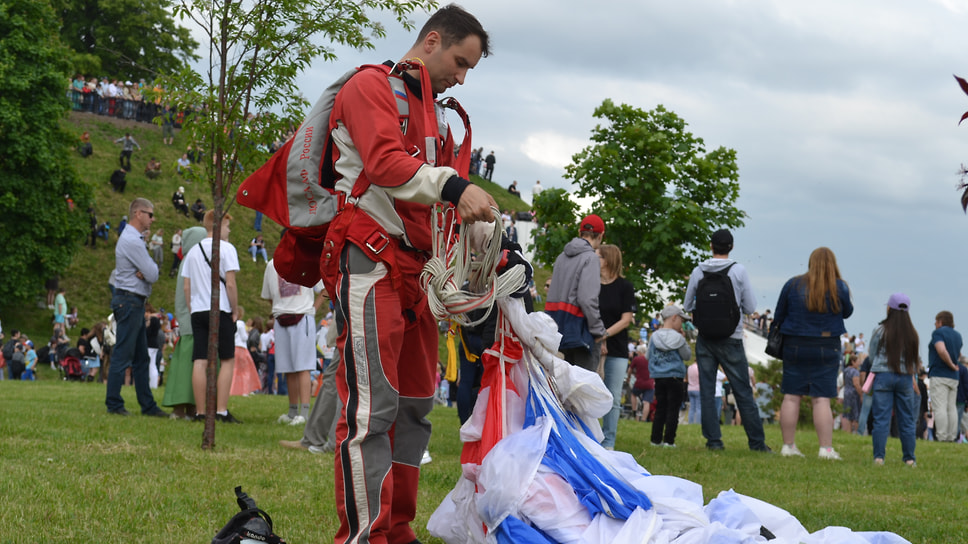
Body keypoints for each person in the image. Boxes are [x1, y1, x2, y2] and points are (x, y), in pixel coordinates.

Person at [284, 8, 496, 544]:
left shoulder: (435, 114)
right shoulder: (370, 87)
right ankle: (365, 536)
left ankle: (397, 530)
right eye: (460, 61)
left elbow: (436, 201)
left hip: (419, 272)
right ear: (431, 41)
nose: (462, 76)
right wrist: (454, 186)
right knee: (372, 409)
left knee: (416, 408)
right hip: (371, 258)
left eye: (470, 68)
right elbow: (384, 163)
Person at [683, 229, 770, 452]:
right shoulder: (738, 270)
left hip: (706, 337)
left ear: (711, 246)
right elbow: (750, 307)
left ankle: (714, 441)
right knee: (742, 390)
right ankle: (757, 443)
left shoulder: (698, 271)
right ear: (731, 247)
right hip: (732, 337)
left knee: (708, 389)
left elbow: (687, 306)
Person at [772, 247, 853, 459]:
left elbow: (779, 313)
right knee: (822, 398)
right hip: (827, 345)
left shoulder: (793, 284)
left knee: (791, 396)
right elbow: (847, 311)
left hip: (795, 343)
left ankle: (788, 447)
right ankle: (825, 449)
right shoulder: (839, 287)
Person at [105, 198, 168, 417]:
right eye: (150, 214)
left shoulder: (135, 239)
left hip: (133, 302)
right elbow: (152, 273)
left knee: (141, 358)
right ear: (138, 214)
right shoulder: (132, 240)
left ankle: (148, 405)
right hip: (130, 301)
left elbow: (149, 271)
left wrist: (147, 268)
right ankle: (114, 403)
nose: (153, 218)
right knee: (123, 354)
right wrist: (148, 269)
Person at [181, 210, 241, 423]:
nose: (229, 230)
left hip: (198, 310)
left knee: (200, 360)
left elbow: (186, 286)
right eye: (227, 226)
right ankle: (221, 410)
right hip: (220, 308)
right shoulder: (227, 249)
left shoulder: (193, 251)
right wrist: (235, 309)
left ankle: (200, 411)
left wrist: (192, 308)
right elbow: (231, 284)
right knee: (227, 359)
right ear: (218, 227)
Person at [261, 259, 324, 426]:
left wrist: (313, 310)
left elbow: (324, 287)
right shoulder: (272, 265)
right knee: (287, 367)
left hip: (302, 316)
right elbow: (269, 295)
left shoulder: (307, 262)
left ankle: (303, 413)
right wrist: (280, 308)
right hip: (282, 317)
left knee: (302, 367)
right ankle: (293, 411)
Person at [546, 214, 607, 371]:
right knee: (583, 389)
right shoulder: (591, 258)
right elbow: (587, 299)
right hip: (580, 332)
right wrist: (599, 330)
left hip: (557, 329)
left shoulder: (561, 257)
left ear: (580, 232)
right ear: (601, 235)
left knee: (561, 387)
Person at [868, 293, 919, 466]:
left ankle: (879, 457)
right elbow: (914, 359)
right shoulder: (912, 334)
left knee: (881, 419)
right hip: (905, 378)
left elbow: (872, 355)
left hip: (883, 376)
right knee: (907, 419)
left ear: (889, 308)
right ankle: (909, 459)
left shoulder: (881, 330)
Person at [161, 226, 206, 419]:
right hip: (192, 322)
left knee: (190, 364)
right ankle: (183, 407)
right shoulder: (191, 260)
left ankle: (190, 407)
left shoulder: (191, 260)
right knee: (189, 366)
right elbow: (186, 294)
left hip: (191, 320)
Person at [596, 243, 636, 450]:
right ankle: (590, 437)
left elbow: (626, 319)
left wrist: (605, 335)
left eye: (599, 257)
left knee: (613, 395)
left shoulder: (625, 287)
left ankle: (608, 441)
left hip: (617, 348)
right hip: (593, 345)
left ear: (609, 260)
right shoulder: (592, 284)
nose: (595, 260)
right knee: (589, 392)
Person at [648, 304, 692, 447]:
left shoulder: (654, 336)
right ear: (674, 318)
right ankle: (669, 440)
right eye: (681, 320)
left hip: (659, 377)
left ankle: (655, 440)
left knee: (660, 407)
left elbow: (648, 356)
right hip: (675, 377)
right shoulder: (679, 338)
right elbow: (686, 356)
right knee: (673, 409)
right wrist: (683, 340)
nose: (682, 324)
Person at [927, 310, 963, 442]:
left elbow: (941, 350)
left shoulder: (938, 333)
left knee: (940, 407)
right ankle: (952, 436)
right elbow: (958, 354)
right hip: (953, 377)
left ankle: (942, 436)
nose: (935, 324)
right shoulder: (958, 335)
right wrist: (954, 366)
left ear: (940, 322)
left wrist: (950, 364)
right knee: (951, 407)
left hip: (940, 373)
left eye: (936, 322)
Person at [230, 306, 262, 396]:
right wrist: (247, 334)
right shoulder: (241, 324)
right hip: (241, 348)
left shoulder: (232, 323)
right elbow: (244, 337)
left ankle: (232, 390)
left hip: (234, 348)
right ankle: (245, 390)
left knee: (235, 370)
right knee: (245, 370)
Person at [627, 344, 653, 422]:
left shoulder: (637, 359)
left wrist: (629, 377)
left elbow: (630, 370)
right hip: (650, 383)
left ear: (639, 351)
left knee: (633, 394)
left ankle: (634, 411)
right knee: (646, 402)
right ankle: (644, 419)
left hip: (639, 382)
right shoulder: (651, 359)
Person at [841, 353, 862, 434]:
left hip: (846, 392)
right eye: (857, 361)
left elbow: (844, 382)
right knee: (856, 414)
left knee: (848, 414)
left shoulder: (845, 370)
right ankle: (857, 432)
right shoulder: (855, 372)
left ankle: (848, 431)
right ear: (853, 362)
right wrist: (861, 394)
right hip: (854, 394)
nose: (859, 363)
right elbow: (856, 384)